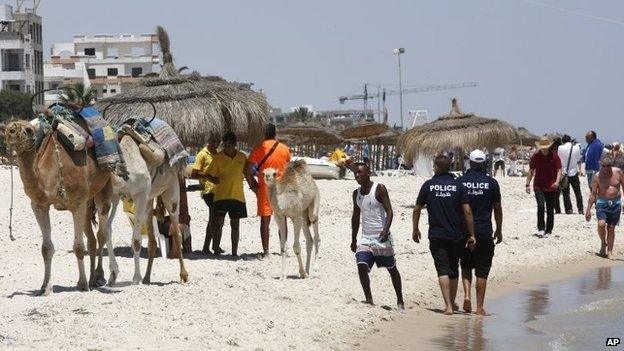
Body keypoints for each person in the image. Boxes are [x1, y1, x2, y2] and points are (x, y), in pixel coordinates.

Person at [413, 155, 477, 315]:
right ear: (450, 167)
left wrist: (415, 228)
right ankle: (453, 302)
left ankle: (448, 305)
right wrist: (472, 234)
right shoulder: (458, 186)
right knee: (453, 267)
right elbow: (467, 211)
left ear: (435, 167)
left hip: (437, 234)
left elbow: (417, 208)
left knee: (442, 269)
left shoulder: (428, 185)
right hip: (457, 234)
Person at [350, 162, 404, 309]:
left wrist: (385, 230)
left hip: (381, 237)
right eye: (355, 173)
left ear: (368, 173)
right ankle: (369, 299)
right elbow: (355, 217)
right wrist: (353, 239)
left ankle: (400, 300)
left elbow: (390, 211)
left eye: (360, 173)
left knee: (391, 268)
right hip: (366, 238)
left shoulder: (379, 189)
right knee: (361, 264)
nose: (357, 175)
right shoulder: (356, 194)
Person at [457, 150, 503, 315]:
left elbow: (456, 207)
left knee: (466, 265)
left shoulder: (460, 182)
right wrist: (499, 229)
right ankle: (479, 307)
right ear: (484, 163)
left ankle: (467, 295)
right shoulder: (492, 183)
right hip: (484, 230)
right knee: (482, 270)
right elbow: (497, 209)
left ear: (470, 162)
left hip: (463, 231)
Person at [206, 132, 256, 257]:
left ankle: (234, 253)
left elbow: (248, 173)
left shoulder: (242, 157)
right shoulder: (218, 157)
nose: (226, 147)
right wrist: (213, 180)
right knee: (218, 224)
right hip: (221, 196)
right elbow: (209, 174)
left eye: (229, 145)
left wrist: (255, 188)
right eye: (225, 145)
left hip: (237, 196)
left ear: (235, 144)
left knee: (235, 225)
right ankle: (216, 250)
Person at [249, 123, 292, 256]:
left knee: (265, 220)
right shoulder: (284, 149)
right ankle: (283, 249)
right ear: (275, 133)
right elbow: (289, 168)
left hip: (265, 187)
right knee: (282, 219)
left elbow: (246, 170)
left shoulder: (259, 148)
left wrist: (253, 185)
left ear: (264, 134)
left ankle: (266, 251)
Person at [585, 155, 624, 259]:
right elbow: (593, 194)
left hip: (616, 203)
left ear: (611, 165)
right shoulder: (597, 176)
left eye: (608, 166)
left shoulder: (618, 172)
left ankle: (610, 251)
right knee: (601, 224)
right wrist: (588, 209)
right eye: (604, 166)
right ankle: (603, 242)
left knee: (611, 228)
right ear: (600, 165)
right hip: (602, 203)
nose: (606, 168)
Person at [190, 138, 221, 254]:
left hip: (218, 190)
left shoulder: (217, 154)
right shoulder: (202, 154)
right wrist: (208, 176)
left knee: (216, 218)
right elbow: (194, 174)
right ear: (209, 141)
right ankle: (207, 246)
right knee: (213, 217)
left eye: (217, 142)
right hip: (208, 191)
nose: (216, 144)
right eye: (214, 141)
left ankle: (213, 245)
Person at [526, 137, 562, 237]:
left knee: (550, 208)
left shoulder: (554, 156)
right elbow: (531, 170)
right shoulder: (536, 156)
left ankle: (549, 230)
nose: (545, 149)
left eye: (546, 147)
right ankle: (541, 228)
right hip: (538, 185)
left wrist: (557, 182)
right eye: (543, 147)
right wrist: (527, 184)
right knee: (541, 206)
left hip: (551, 186)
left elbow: (559, 169)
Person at [558, 135, 584, 214]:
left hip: (564, 173)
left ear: (563, 141)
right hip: (573, 172)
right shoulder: (576, 147)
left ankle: (568, 209)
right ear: (570, 140)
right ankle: (580, 209)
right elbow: (578, 159)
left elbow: (559, 159)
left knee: (566, 193)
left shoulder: (560, 148)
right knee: (577, 192)